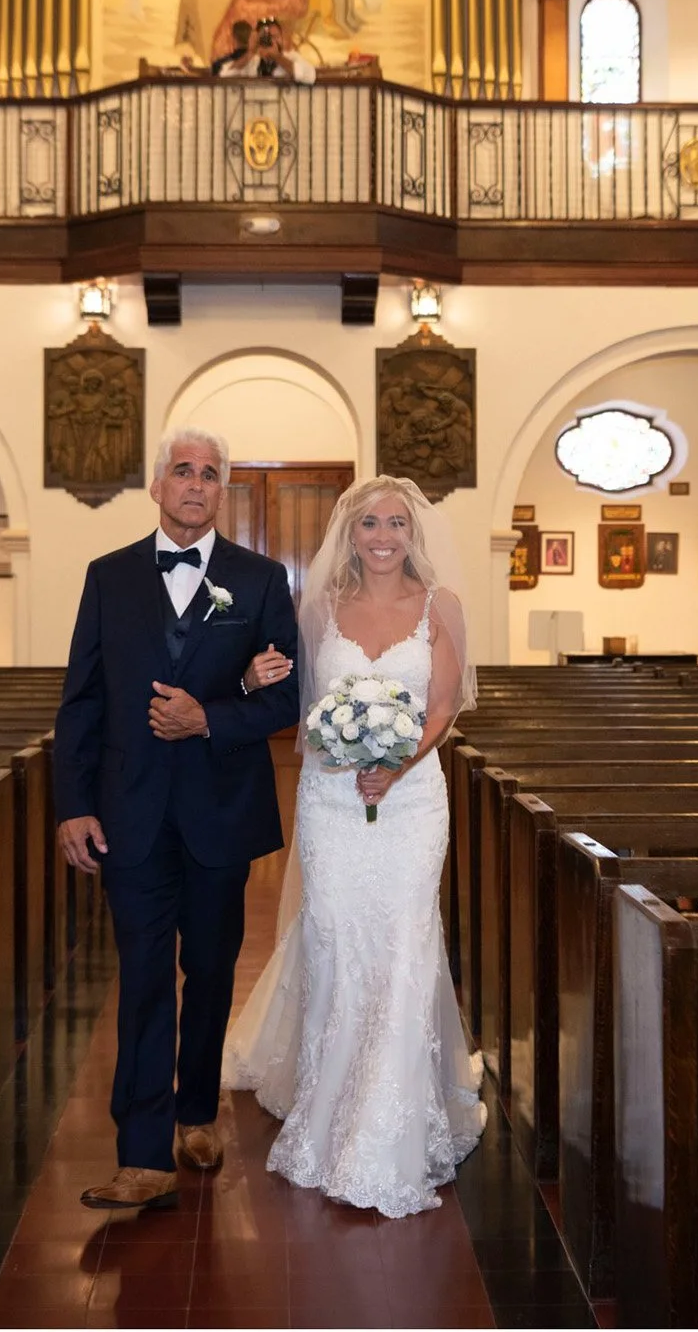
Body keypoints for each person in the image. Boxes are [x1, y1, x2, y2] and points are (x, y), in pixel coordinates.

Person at [222, 475, 485, 1217]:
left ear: (413, 533)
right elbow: (296, 702)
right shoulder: (318, 609)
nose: (383, 536)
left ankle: (388, 1125)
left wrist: (396, 765)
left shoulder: (441, 606)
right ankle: (330, 1098)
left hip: (411, 799)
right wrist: (260, 685)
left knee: (402, 940)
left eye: (396, 523)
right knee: (337, 936)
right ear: (350, 531)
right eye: (370, 522)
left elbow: (443, 705)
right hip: (333, 798)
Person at [53, 427, 301, 1209]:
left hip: (219, 810)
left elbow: (287, 698)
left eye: (210, 473)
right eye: (183, 471)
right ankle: (141, 1151)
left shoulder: (259, 579)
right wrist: (73, 804)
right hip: (129, 810)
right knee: (144, 974)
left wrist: (210, 718)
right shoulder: (109, 576)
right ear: (158, 485)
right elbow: (82, 700)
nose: (196, 483)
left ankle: (197, 1112)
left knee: (213, 969)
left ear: (222, 490)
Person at [220, 17, 316, 84]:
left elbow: (310, 76)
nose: (271, 41)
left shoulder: (291, 57)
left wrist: (278, 57)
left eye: (275, 36)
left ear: (282, 38)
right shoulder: (253, 62)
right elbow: (225, 75)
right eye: (267, 37)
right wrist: (250, 52)